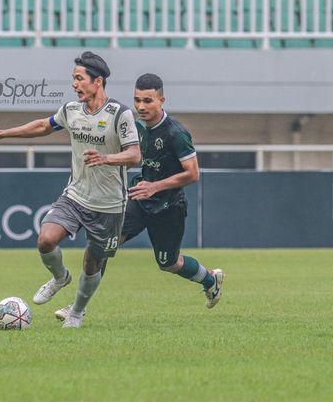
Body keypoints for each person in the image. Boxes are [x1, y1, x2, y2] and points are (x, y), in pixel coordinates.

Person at [0, 52, 140, 329]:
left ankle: (76, 312)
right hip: (75, 195)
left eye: (79, 79)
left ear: (97, 81)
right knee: (46, 239)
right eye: (73, 79)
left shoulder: (119, 114)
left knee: (92, 264)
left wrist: (107, 158)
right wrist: (2, 133)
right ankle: (60, 277)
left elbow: (135, 155)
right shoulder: (71, 110)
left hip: (109, 205)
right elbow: (43, 126)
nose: (75, 84)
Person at [55, 73, 224, 321]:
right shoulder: (136, 126)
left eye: (148, 101)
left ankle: (211, 280)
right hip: (138, 199)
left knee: (169, 263)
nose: (141, 107)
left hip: (169, 207)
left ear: (161, 100)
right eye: (137, 100)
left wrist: (156, 186)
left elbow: (193, 174)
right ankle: (78, 307)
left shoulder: (176, 133)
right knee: (101, 246)